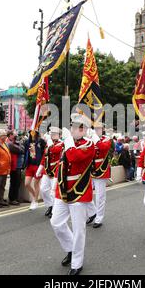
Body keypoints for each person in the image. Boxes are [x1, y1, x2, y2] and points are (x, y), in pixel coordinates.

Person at [50, 113, 96, 275]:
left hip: (79, 191)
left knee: (78, 229)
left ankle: (77, 262)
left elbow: (73, 156)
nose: (71, 130)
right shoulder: (68, 143)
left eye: (74, 128)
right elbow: (62, 164)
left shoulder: (89, 144)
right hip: (63, 190)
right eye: (71, 127)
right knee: (56, 222)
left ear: (82, 130)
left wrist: (68, 140)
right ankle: (70, 248)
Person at [87, 122, 114, 228]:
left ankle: (99, 218)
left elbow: (103, 148)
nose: (97, 130)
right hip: (90, 170)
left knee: (100, 196)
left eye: (99, 128)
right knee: (86, 194)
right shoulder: (90, 139)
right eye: (96, 128)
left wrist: (95, 138)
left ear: (103, 129)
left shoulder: (106, 139)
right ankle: (92, 212)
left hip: (101, 170)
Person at [36, 127, 63, 218]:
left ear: (59, 135)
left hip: (56, 171)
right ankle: (50, 205)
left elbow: (55, 150)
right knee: (43, 189)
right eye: (52, 134)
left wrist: (50, 143)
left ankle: (55, 209)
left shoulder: (61, 143)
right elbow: (45, 156)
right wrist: (40, 168)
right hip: (47, 170)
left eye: (55, 134)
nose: (52, 135)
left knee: (53, 192)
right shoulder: (49, 144)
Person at [23, 130, 46, 210]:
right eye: (31, 132)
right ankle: (34, 196)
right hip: (30, 165)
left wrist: (42, 165)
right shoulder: (27, 142)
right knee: (27, 184)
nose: (32, 134)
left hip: (38, 166)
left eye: (34, 132)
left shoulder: (41, 141)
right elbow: (25, 152)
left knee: (36, 183)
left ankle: (35, 201)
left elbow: (45, 153)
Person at [7, 130, 24, 206]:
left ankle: (14, 198)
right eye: (14, 134)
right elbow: (21, 150)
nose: (16, 136)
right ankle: (12, 199)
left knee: (16, 183)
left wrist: (19, 145)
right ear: (10, 135)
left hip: (17, 165)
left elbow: (22, 148)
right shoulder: (10, 143)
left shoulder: (15, 142)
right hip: (15, 166)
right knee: (14, 182)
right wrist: (20, 146)